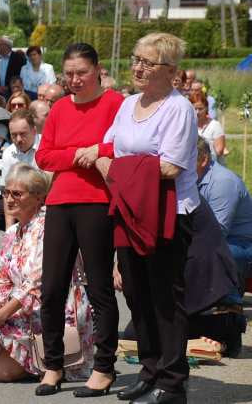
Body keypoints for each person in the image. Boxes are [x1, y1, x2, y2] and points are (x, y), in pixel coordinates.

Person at [98, 33, 200, 404]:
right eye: (136, 59)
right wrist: (106, 161)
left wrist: (115, 169)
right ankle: (150, 369)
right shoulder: (127, 104)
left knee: (164, 299)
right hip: (130, 209)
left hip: (167, 211)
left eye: (148, 62)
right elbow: (106, 148)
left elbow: (170, 167)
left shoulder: (179, 109)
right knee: (137, 295)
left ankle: (173, 382)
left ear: (171, 72)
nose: (138, 68)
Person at [0, 164, 95, 384]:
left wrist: (0, 316)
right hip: (22, 309)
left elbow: (36, 283)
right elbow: (2, 280)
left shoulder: (51, 227)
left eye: (17, 193)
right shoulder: (11, 233)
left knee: (3, 371)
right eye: (5, 193)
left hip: (55, 309)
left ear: (38, 198)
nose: (9, 199)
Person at [32, 42, 123, 397]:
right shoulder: (58, 108)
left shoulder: (116, 104)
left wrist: (97, 150)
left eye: (81, 73)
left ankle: (104, 367)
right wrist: (81, 154)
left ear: (97, 70)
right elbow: (44, 157)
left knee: (99, 287)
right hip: (59, 202)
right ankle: (53, 365)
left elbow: (124, 144)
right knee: (52, 287)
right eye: (68, 74)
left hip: (97, 202)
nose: (74, 80)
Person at [196, 137, 252, 306]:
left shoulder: (223, 182)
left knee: (215, 253)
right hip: (217, 238)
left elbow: (216, 232)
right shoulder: (189, 178)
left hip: (242, 244)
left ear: (204, 160)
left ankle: (229, 307)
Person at [0, 109, 43, 231]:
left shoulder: (45, 145)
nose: (18, 139)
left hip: (42, 197)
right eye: (14, 135)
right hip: (18, 196)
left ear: (34, 131)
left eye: (23, 134)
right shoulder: (9, 153)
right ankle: (19, 231)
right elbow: (6, 189)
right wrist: (9, 228)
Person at [191, 92, 226, 164]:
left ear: (206, 108)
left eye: (200, 109)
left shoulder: (215, 125)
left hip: (212, 166)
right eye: (194, 109)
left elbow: (219, 151)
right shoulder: (189, 126)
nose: (197, 112)